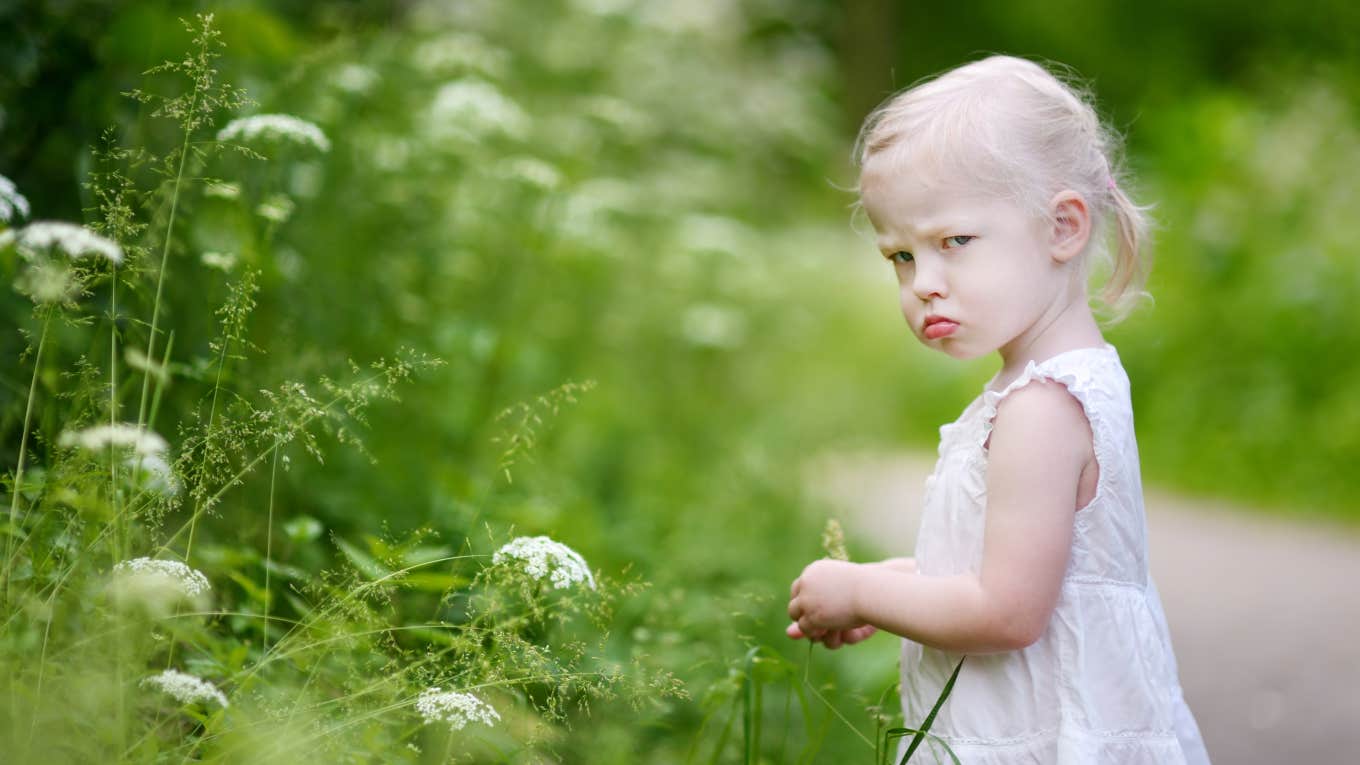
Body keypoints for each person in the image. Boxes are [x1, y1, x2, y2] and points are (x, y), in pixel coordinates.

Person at [785, 55, 1211, 764]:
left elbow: (1008, 611)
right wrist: (886, 588)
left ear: (1063, 227)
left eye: (954, 242)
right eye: (900, 257)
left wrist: (857, 588)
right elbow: (1012, 568)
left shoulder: (1041, 409)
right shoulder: (1058, 381)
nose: (925, 283)